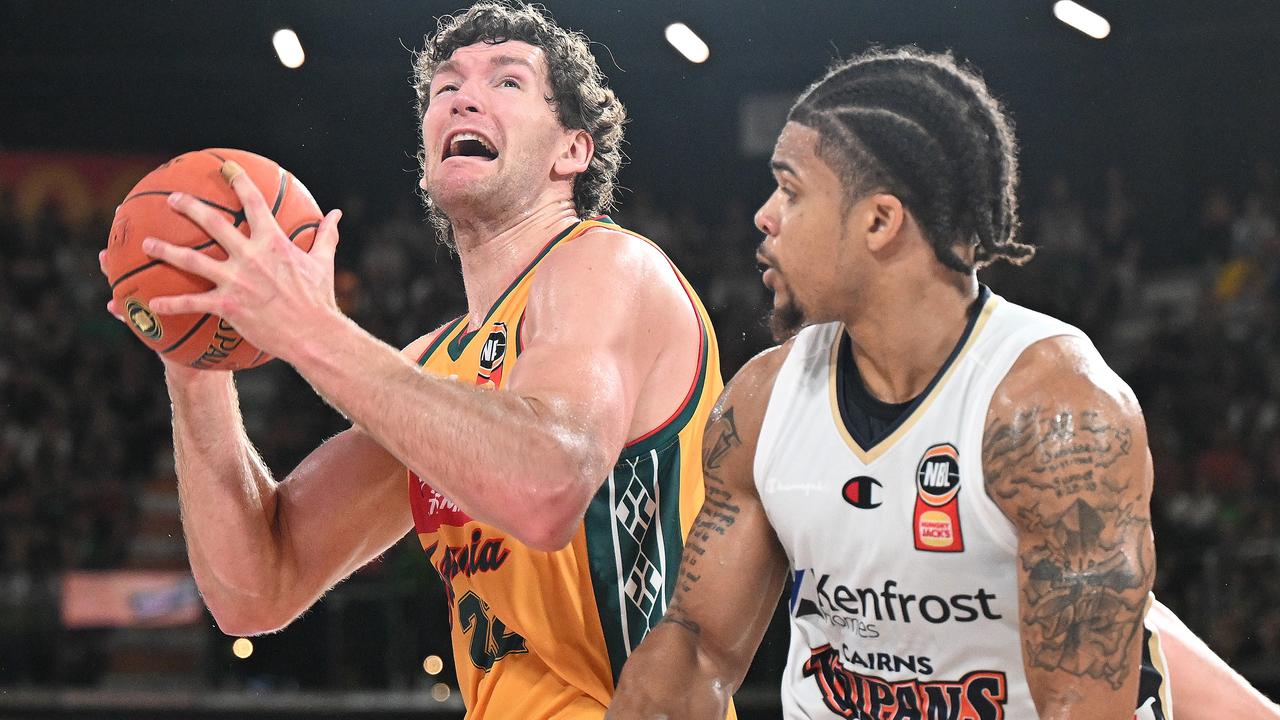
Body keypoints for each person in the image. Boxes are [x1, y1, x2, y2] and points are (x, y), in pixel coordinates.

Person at [607, 48, 1280, 719]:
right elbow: (695, 653)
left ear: (879, 221)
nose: (763, 216)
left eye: (790, 190)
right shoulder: (759, 403)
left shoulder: (1053, 411)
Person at [100, 3, 728, 718]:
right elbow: (256, 591)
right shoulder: (433, 368)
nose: (462, 94)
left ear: (572, 151)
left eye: (508, 82)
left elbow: (546, 486)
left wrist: (311, 329)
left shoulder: (611, 263)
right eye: (445, 87)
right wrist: (194, 359)